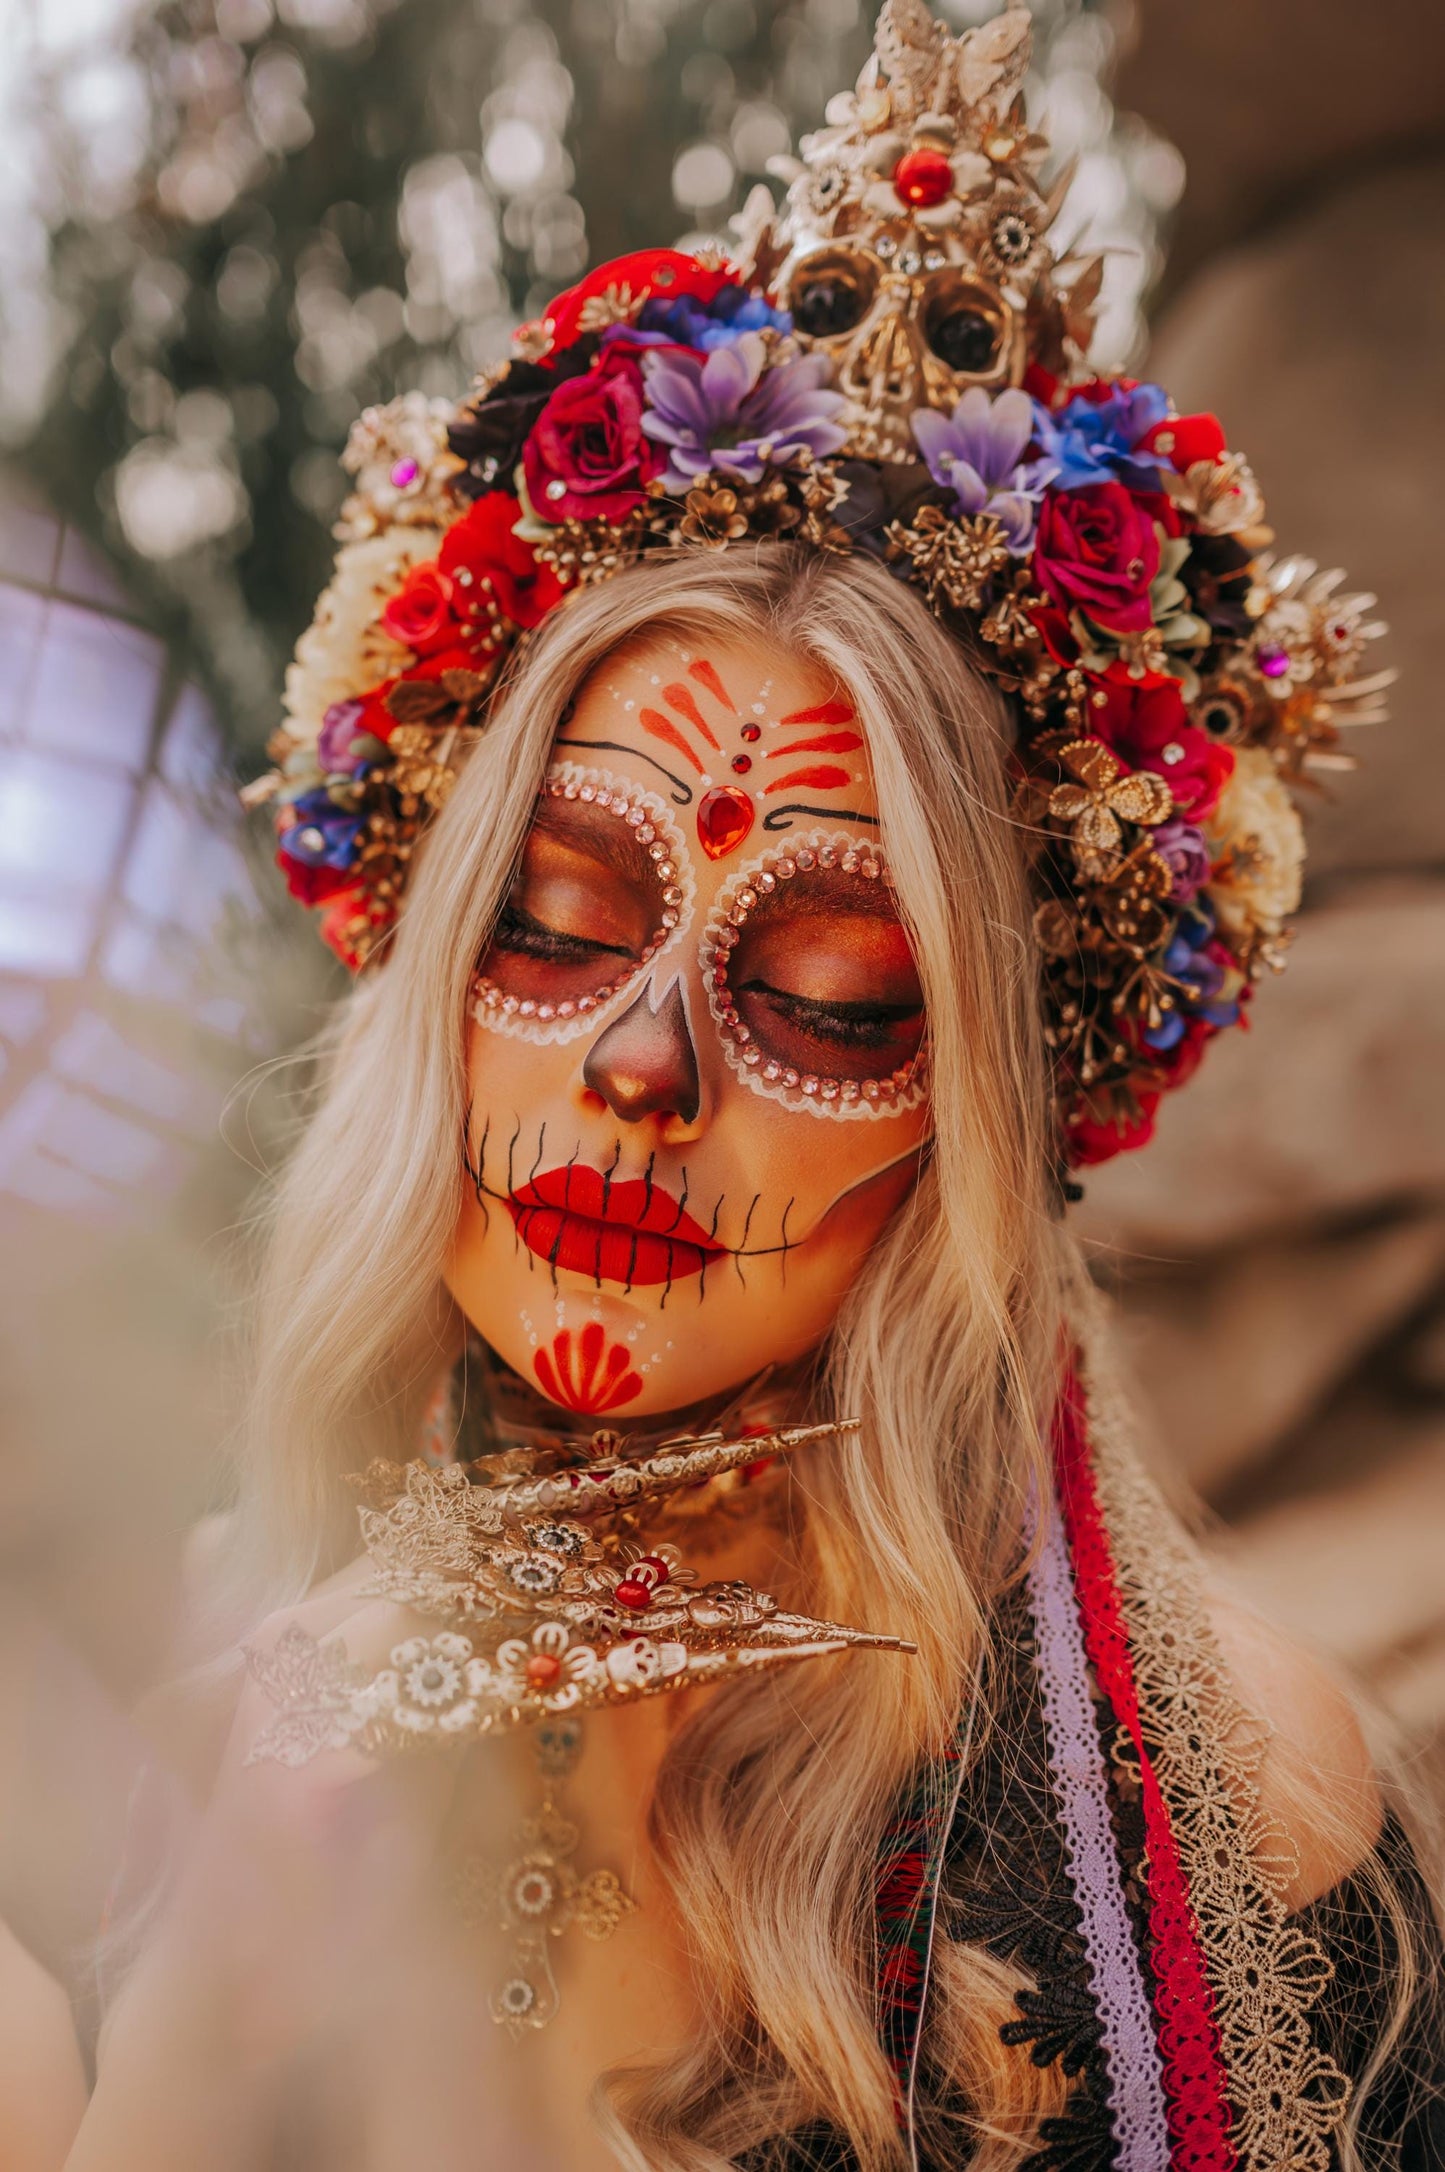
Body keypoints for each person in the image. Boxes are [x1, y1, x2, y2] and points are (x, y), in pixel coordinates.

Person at [37, 4, 1444, 2168]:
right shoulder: (219, 1715)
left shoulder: (1218, 1807)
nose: (638, 1063)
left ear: (972, 1124)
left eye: (833, 989)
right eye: (566, 924)